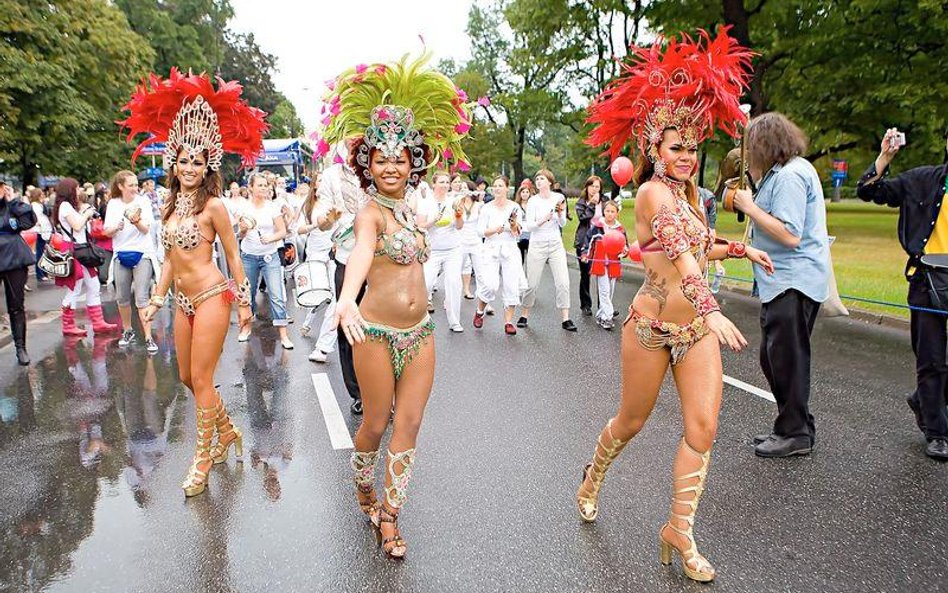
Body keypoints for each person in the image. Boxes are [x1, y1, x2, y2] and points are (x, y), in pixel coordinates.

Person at [577, 29, 772, 582]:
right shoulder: (651, 194)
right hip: (652, 327)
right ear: (654, 151)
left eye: (691, 148)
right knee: (632, 420)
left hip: (695, 335)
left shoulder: (688, 195)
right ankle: (592, 479)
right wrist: (709, 305)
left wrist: (741, 247)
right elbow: (680, 252)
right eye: (674, 148)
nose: (686, 157)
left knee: (703, 428)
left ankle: (679, 531)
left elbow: (697, 241)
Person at [318, 53, 472, 559]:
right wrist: (345, 302)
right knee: (376, 425)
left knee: (409, 426)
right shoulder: (370, 214)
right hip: (377, 335)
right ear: (369, 165)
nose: (390, 166)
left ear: (413, 162)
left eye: (399, 158)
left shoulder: (411, 210)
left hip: (420, 334)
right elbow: (361, 252)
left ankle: (389, 514)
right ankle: (363, 485)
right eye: (381, 159)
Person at [122, 68, 265, 497]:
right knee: (186, 377)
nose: (189, 167)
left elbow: (234, 254)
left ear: (208, 166)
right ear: (173, 162)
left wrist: (243, 301)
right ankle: (227, 430)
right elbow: (169, 259)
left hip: (212, 296)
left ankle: (203, 458)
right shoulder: (167, 207)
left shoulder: (215, 206)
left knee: (202, 379)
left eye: (198, 161)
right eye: (183, 159)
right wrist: (156, 298)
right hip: (182, 301)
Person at [731, 113, 830, 458]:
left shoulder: (790, 176)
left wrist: (749, 207)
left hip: (793, 280)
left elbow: (789, 234)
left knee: (787, 358)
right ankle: (794, 423)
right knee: (774, 357)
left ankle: (795, 432)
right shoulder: (783, 173)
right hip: (781, 281)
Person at [856, 126, 948, 461]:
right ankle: (938, 432)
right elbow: (869, 191)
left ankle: (924, 400)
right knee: (932, 359)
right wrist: (885, 157)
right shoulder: (923, 180)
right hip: (929, 281)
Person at [313, 144, 366, 415]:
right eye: (349, 138)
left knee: (383, 327)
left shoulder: (378, 165)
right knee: (347, 326)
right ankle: (357, 392)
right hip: (346, 258)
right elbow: (320, 215)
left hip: (381, 260)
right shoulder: (332, 175)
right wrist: (325, 219)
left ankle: (383, 391)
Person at [53, 178, 120, 337]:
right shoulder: (65, 206)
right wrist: (87, 213)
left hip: (81, 250)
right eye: (76, 188)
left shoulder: (68, 206)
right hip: (75, 251)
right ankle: (68, 324)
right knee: (74, 288)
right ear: (70, 190)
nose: (79, 191)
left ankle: (98, 322)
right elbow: (76, 225)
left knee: (93, 285)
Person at [104, 170, 159, 353]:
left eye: (136, 184)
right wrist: (116, 227)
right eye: (131, 185)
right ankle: (128, 331)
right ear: (121, 186)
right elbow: (106, 231)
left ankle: (149, 337)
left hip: (141, 253)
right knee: (122, 297)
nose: (135, 188)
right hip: (121, 253)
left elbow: (146, 230)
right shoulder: (113, 204)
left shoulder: (143, 202)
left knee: (142, 298)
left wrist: (136, 222)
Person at [237, 173, 293, 349]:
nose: (264, 188)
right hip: (249, 256)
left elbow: (283, 231)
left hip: (270, 256)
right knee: (248, 294)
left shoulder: (272, 207)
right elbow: (239, 235)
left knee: (276, 295)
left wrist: (271, 239)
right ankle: (246, 327)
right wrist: (243, 230)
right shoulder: (243, 208)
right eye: (260, 185)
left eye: (266, 185)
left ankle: (283, 335)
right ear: (251, 187)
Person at [518, 169, 576, 331]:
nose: (538, 181)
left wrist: (559, 214)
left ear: (549, 182)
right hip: (537, 244)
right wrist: (544, 219)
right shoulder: (533, 201)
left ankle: (566, 318)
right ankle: (524, 314)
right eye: (537, 179)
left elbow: (563, 223)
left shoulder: (559, 198)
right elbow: (529, 226)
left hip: (555, 245)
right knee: (532, 283)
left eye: (542, 178)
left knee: (563, 282)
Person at [473, 175, 526, 334]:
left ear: (507, 188)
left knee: (511, 285)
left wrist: (513, 224)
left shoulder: (515, 207)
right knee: (490, 285)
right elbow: (480, 231)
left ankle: (508, 322)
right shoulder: (487, 208)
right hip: (491, 247)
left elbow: (518, 233)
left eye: (500, 185)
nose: (497, 188)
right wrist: (495, 229)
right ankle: (480, 311)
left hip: (510, 248)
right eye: (495, 186)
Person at [418, 171, 466, 332]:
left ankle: (454, 321)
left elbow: (459, 226)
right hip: (433, 250)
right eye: (442, 182)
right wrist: (434, 220)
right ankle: (420, 318)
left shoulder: (454, 202)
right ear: (434, 184)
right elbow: (420, 225)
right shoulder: (426, 202)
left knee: (453, 283)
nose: (445, 185)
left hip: (453, 249)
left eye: (447, 182)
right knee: (427, 283)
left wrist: (459, 216)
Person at [297, 181, 339, 363]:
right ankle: (307, 322)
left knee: (335, 300)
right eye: (320, 180)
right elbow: (298, 229)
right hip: (315, 255)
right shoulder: (308, 206)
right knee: (318, 295)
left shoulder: (339, 202)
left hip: (335, 255)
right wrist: (316, 225)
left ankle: (322, 348)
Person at [0, 181, 37, 365]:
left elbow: (30, 220)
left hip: (15, 259)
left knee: (16, 305)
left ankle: (20, 348)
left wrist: (13, 200)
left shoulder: (11, 207)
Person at [581, 200, 629, 330]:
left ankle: (601, 314)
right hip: (600, 263)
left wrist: (624, 252)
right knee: (604, 291)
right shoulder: (597, 226)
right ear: (604, 212)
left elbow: (625, 246)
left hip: (613, 263)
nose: (609, 214)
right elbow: (589, 242)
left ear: (617, 214)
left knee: (610, 291)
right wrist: (585, 254)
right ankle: (607, 317)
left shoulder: (620, 229)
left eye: (612, 211)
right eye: (607, 211)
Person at [575, 176, 603, 316]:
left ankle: (604, 305)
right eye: (592, 186)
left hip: (601, 242)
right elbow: (583, 218)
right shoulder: (581, 202)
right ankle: (585, 304)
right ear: (587, 187)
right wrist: (591, 204)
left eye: (597, 187)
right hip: (584, 242)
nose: (594, 189)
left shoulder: (604, 202)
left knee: (602, 274)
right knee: (585, 274)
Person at [458, 182, 484, 300]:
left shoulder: (479, 205)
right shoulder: (457, 204)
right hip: (460, 242)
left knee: (480, 272)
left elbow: (483, 223)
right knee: (457, 270)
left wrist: (481, 201)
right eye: (462, 188)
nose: (464, 190)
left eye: (466, 188)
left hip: (476, 242)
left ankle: (485, 301)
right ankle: (450, 299)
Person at [27, 187, 52, 283]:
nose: (43, 195)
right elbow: (37, 218)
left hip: (44, 230)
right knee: (40, 252)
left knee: (43, 252)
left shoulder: (39, 204)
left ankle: (44, 272)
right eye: (41, 194)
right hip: (40, 231)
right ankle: (40, 274)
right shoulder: (35, 205)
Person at [515, 180, 534, 262]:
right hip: (520, 234)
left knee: (531, 259)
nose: (525, 194)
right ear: (520, 193)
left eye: (527, 192)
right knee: (520, 259)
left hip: (530, 234)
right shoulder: (516, 206)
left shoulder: (533, 205)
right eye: (523, 192)